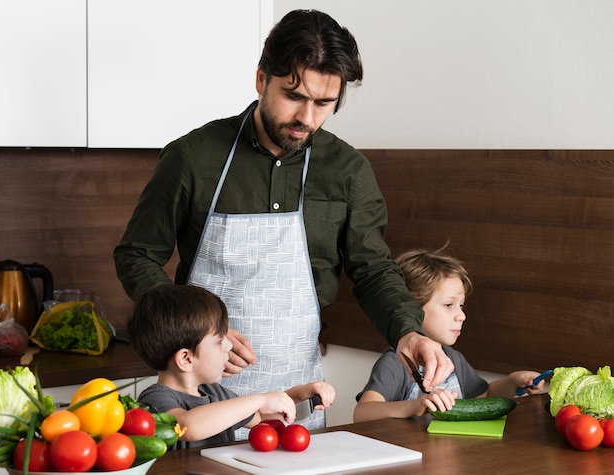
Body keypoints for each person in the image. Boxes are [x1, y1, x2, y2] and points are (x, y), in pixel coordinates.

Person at [114, 9, 452, 432]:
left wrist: (408, 332)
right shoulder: (193, 157)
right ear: (261, 80)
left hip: (300, 395)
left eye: (324, 103)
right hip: (195, 398)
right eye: (294, 96)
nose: (306, 119)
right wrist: (190, 330)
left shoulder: (348, 171)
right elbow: (137, 255)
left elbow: (373, 270)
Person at [353, 245, 546, 423]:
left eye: (461, 306)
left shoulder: (453, 358)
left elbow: (484, 395)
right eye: (448, 305)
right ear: (412, 307)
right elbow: (362, 413)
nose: (461, 316)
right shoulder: (397, 361)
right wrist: (414, 406)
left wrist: (513, 382)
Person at [127, 284, 335, 448]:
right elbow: (186, 426)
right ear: (186, 359)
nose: (228, 345)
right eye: (219, 340)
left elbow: (261, 416)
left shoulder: (214, 393)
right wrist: (259, 399)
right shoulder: (154, 399)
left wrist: (300, 395)